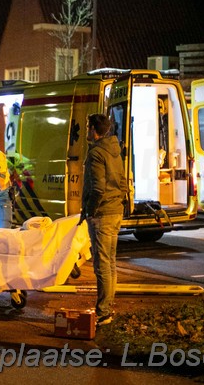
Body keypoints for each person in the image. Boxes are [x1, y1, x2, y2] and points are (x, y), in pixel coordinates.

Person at [79, 113, 127, 327]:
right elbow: (123, 182)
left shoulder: (97, 153)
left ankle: (104, 312)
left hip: (103, 214)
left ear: (93, 130)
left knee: (103, 265)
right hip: (114, 210)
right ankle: (107, 307)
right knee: (111, 262)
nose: (87, 131)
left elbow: (97, 188)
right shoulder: (114, 150)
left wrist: (90, 210)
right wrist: (120, 201)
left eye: (89, 127)